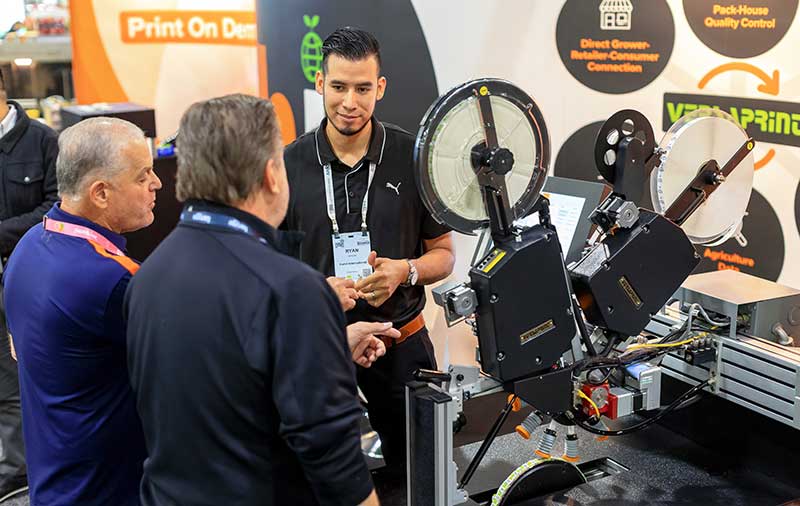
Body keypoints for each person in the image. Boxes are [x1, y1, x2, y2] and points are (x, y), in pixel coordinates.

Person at [125, 94, 387, 505]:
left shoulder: (147, 275)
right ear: (271, 174)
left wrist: (323, 352)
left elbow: (214, 379)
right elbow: (336, 463)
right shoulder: (291, 289)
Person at [282, 27, 455, 474]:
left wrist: (406, 271)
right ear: (320, 83)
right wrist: (314, 289)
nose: (349, 102)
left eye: (362, 88)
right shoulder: (287, 164)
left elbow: (444, 254)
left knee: (421, 473)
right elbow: (271, 270)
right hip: (320, 346)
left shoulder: (413, 157)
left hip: (401, 344)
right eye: (338, 87)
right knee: (315, 477)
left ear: (380, 88)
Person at [2, 117, 160, 505]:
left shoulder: (29, 246)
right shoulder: (111, 279)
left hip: (53, 482)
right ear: (100, 193)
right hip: (108, 489)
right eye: (143, 176)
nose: (157, 183)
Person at [0, 68, 59, 500]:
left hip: (20, 280)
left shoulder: (41, 141)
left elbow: (54, 208)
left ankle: (16, 476)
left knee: (14, 381)